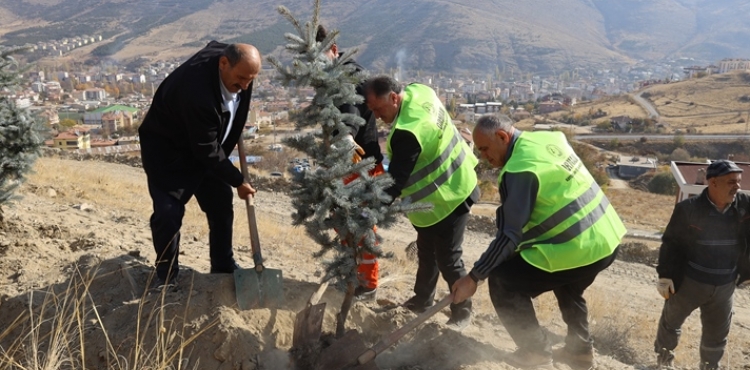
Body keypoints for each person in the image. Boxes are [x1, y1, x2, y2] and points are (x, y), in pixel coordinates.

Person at [451, 115, 626, 369]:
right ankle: (580, 352)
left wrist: (474, 278)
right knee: (568, 283)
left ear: (502, 137)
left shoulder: (519, 169)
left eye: (485, 149)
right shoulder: (547, 138)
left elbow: (509, 236)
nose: (483, 157)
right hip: (607, 238)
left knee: (502, 281)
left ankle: (535, 353)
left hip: (580, 246)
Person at [139, 41, 260, 286]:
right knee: (168, 214)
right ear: (223, 64)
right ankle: (166, 278)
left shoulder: (238, 68)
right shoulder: (197, 93)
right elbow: (206, 149)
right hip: (168, 152)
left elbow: (213, 45)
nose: (245, 86)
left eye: (250, 79)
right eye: (240, 80)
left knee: (220, 205)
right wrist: (238, 180)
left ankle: (223, 264)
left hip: (206, 148)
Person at [363, 75, 479, 329]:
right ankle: (422, 300)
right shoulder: (419, 91)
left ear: (393, 98)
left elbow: (395, 182)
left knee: (448, 258)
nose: (376, 115)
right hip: (443, 191)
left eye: (378, 108)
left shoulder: (408, 131)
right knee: (427, 252)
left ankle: (462, 312)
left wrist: (369, 212)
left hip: (450, 194)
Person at [653, 159, 750, 370]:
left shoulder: (745, 206)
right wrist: (665, 275)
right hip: (690, 282)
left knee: (716, 336)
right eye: (731, 182)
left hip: (725, 286)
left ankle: (709, 367)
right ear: (713, 183)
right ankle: (663, 364)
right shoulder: (688, 209)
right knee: (670, 324)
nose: (737, 186)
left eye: (738, 181)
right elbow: (671, 243)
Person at [316, 25, 385, 300]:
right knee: (345, 224)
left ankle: (367, 286)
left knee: (361, 225)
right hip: (343, 164)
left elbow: (350, 111)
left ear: (333, 50)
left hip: (359, 164)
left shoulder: (346, 75)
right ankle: (350, 277)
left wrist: (344, 135)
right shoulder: (331, 73)